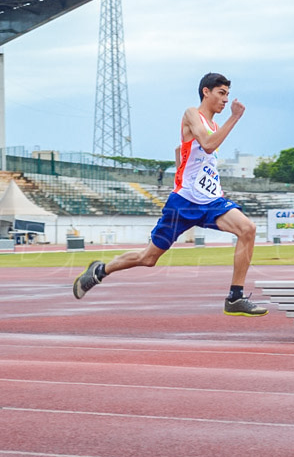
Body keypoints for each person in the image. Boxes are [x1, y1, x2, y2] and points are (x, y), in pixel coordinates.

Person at [72, 72, 268, 316]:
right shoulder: (191, 113)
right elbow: (207, 145)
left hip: (210, 202)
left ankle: (235, 297)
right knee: (148, 258)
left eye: (228, 94)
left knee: (247, 229)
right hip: (183, 203)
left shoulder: (213, 125)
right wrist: (235, 118)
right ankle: (101, 270)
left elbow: (187, 151)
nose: (226, 100)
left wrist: (203, 178)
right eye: (221, 93)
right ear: (206, 92)